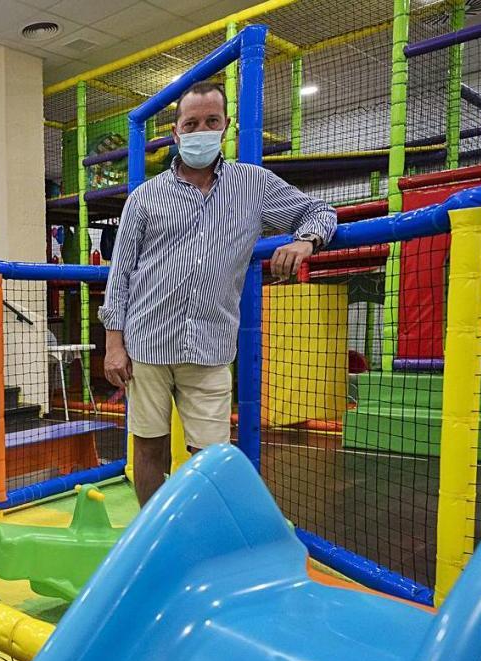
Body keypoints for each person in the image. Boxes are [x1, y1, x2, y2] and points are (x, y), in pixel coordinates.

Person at [99, 82, 337, 506]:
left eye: (211, 121)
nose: (201, 130)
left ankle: (198, 536)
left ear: (225, 126)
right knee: (148, 447)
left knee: (209, 458)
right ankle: (155, 539)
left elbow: (320, 211)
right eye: (191, 123)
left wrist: (306, 241)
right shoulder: (145, 197)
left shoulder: (253, 186)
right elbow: (120, 275)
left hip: (210, 348)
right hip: (146, 345)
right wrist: (114, 345)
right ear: (176, 133)